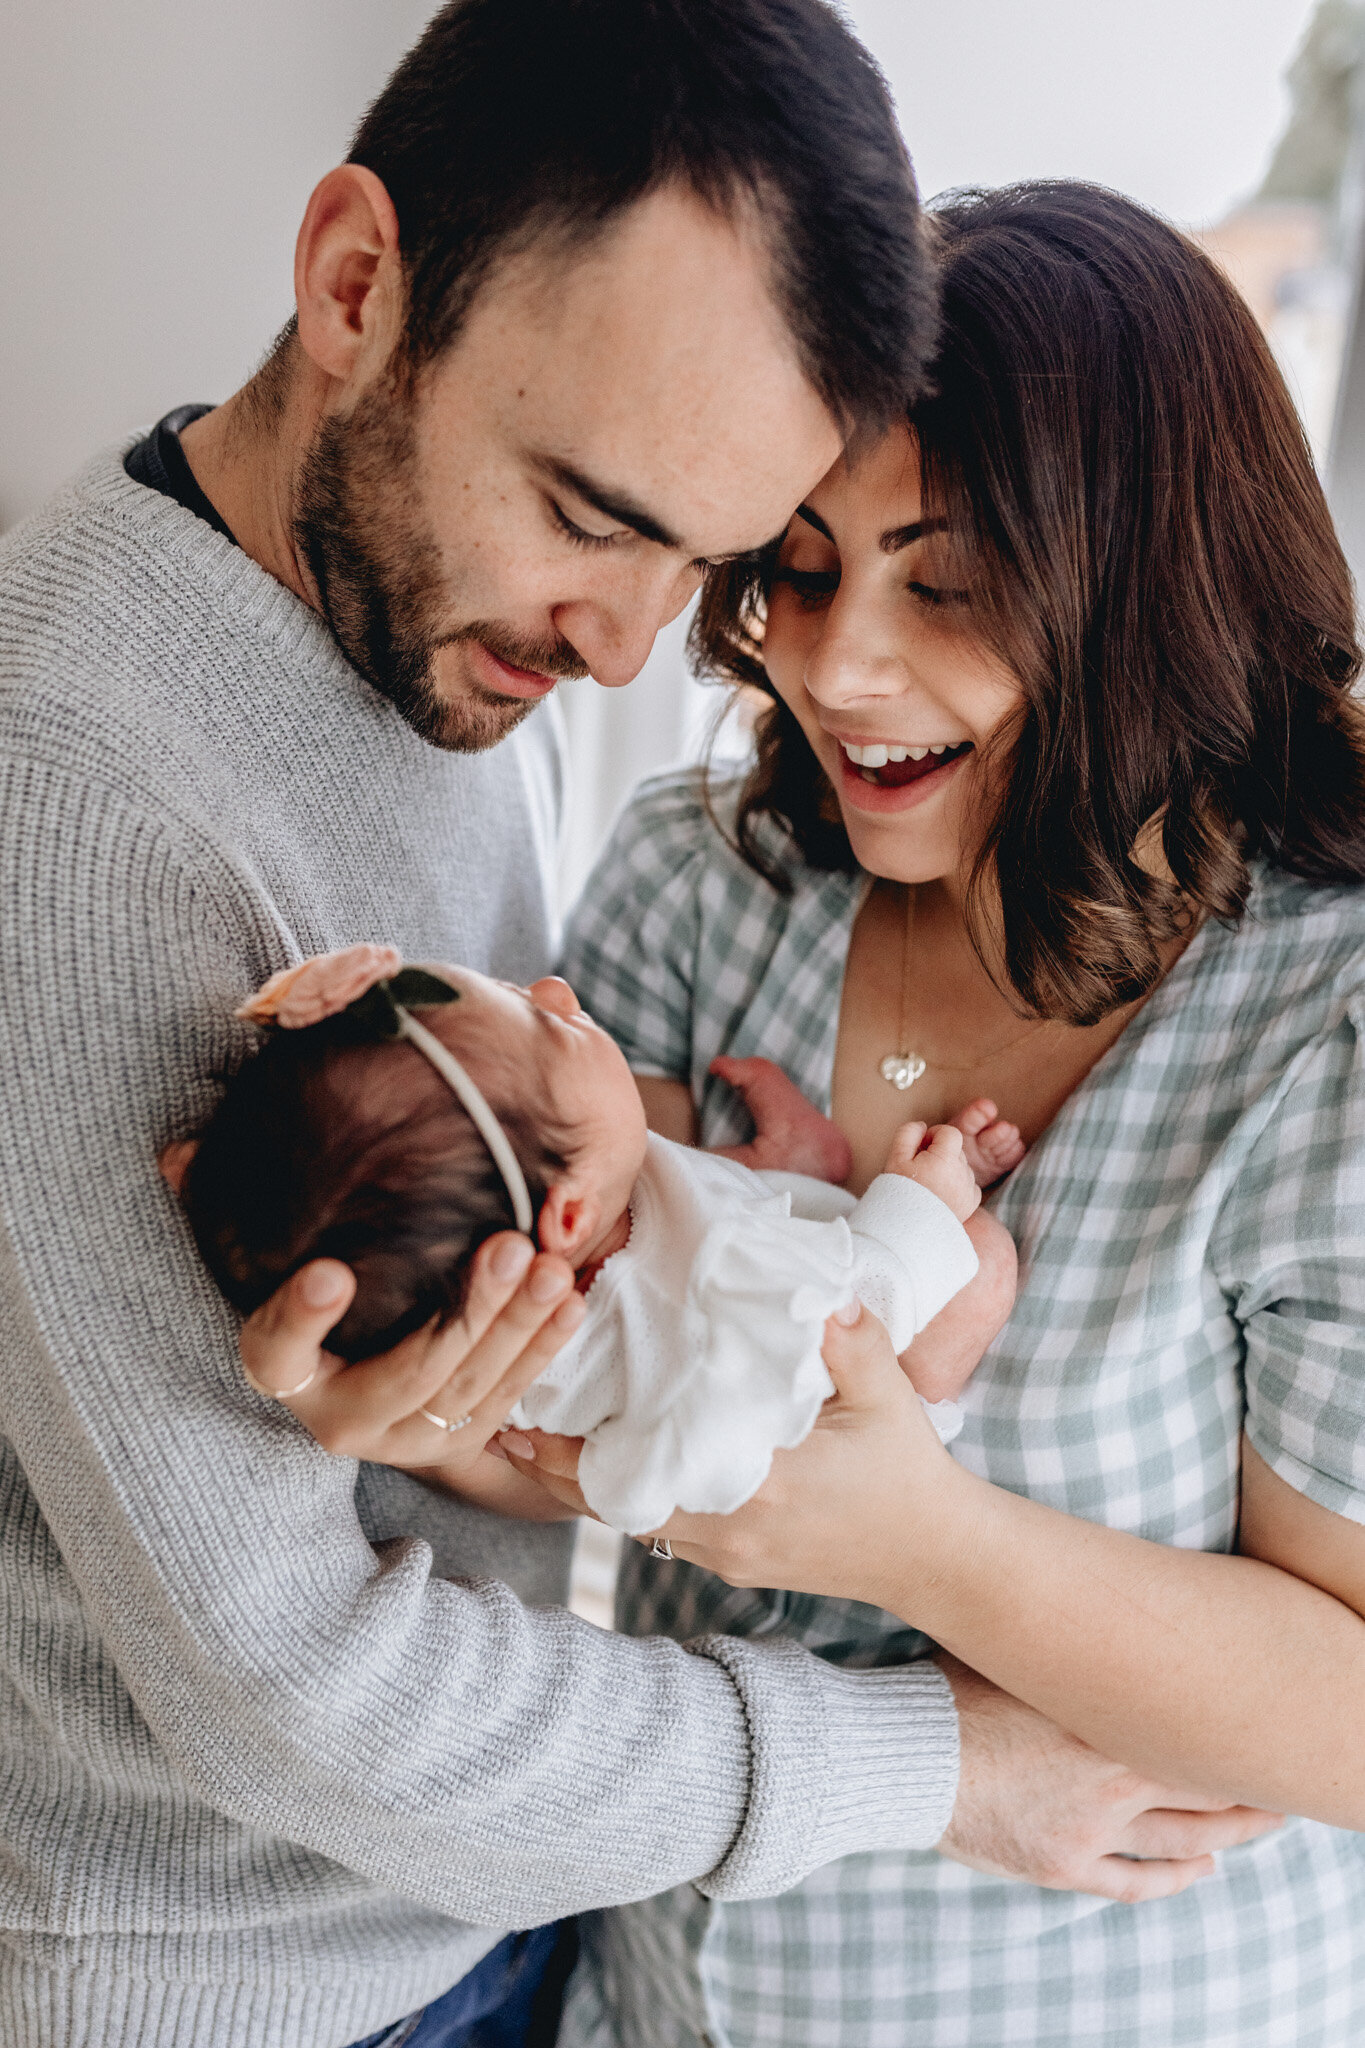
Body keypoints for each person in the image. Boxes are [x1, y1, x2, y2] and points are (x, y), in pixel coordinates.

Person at [0, 9, 1257, 2044]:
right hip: (252, 1988)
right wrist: (937, 1765)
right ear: (351, 283)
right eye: (595, 513)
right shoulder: (72, 792)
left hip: (507, 1930)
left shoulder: (446, 641)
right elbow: (289, 1689)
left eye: (699, 563)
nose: (620, 652)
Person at [494, 182, 1363, 2045]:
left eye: (945, 581)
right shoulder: (700, 892)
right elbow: (538, 1367)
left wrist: (914, 1538)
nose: (833, 663)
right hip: (658, 1988)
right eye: (801, 566)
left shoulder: (1326, 1027)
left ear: (1151, 585)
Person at [167, 946, 987, 1534]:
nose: (555, 988)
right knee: (982, 1266)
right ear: (563, 1219)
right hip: (842, 1403)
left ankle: (787, 1172)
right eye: (547, 1024)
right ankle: (928, 1360)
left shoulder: (563, 1237)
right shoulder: (681, 1306)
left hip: (751, 1249)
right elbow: (842, 1329)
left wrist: (753, 1172)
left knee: (668, 1182)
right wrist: (923, 1208)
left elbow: (663, 1204)